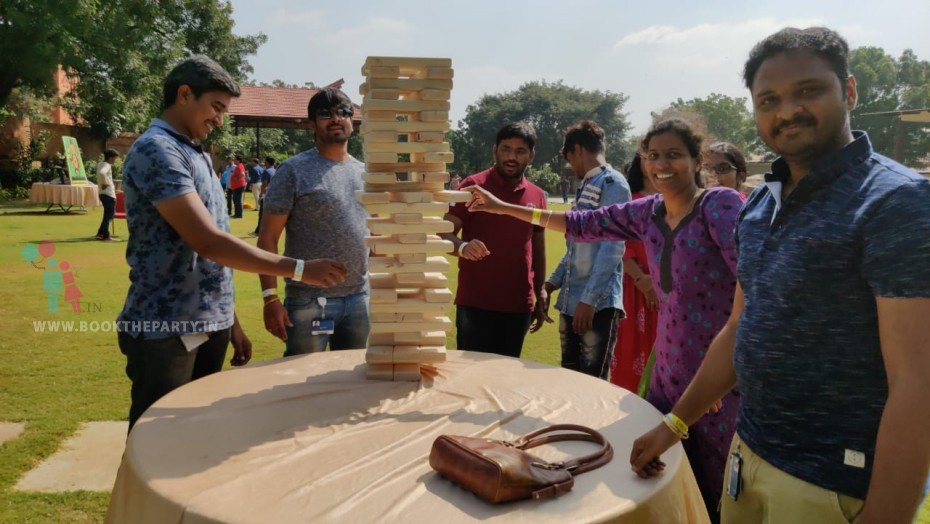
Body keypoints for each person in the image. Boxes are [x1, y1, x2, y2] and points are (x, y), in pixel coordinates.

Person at [628, 27, 930, 524]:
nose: (786, 110)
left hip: (831, 486)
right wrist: (674, 424)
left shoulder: (895, 202)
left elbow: (916, 381)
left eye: (808, 90)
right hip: (748, 459)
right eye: (769, 99)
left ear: (849, 91)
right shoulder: (761, 204)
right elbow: (738, 329)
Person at [465, 118, 744, 520]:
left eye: (673, 155)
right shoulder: (648, 211)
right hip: (668, 377)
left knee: (719, 494)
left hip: (719, 383)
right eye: (652, 156)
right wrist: (502, 207)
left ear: (696, 159)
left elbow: (754, 285)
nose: (660, 164)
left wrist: (724, 369)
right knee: (664, 483)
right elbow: (581, 224)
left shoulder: (719, 205)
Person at [117, 55, 348, 431]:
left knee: (200, 435)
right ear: (185, 94)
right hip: (167, 327)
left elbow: (212, 251)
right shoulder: (157, 149)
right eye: (216, 107)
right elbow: (207, 241)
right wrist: (301, 269)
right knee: (156, 440)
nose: (219, 120)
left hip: (208, 322)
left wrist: (229, 319)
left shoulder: (195, 153)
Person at [258, 88, 370, 356]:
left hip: (359, 297)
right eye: (325, 114)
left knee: (351, 379)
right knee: (301, 383)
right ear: (311, 124)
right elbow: (268, 239)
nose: (335, 118)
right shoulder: (293, 170)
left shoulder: (365, 173)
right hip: (309, 300)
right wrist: (270, 297)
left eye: (343, 112)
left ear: (352, 123)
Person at [440, 122, 548, 358]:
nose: (511, 157)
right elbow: (442, 232)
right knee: (470, 382)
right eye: (505, 149)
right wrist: (463, 247)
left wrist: (539, 288)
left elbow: (537, 247)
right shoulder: (473, 186)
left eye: (520, 151)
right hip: (475, 304)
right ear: (494, 150)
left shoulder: (538, 195)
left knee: (505, 382)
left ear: (531, 155)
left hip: (518, 305)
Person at [544, 120, 630, 378]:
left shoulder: (613, 184)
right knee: (571, 380)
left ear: (578, 150)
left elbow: (613, 248)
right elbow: (575, 247)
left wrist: (589, 300)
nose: (572, 167)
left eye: (570, 159)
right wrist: (550, 285)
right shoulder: (587, 185)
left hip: (595, 308)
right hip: (572, 303)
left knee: (593, 386)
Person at [609, 154, 659, 391]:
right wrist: (643, 281)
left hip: (671, 292)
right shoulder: (631, 204)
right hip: (635, 291)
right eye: (651, 157)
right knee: (631, 356)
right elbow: (621, 247)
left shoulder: (681, 202)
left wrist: (658, 282)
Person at [95, 148, 120, 241]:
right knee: (109, 215)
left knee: (107, 215)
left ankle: (100, 233)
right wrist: (105, 183)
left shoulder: (100, 164)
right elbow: (102, 173)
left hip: (103, 193)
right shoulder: (107, 165)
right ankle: (105, 235)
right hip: (108, 194)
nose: (115, 160)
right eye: (114, 158)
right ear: (110, 158)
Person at [250, 156, 276, 238]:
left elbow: (264, 184)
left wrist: (261, 195)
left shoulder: (266, 171)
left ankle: (258, 232)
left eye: (265, 162)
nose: (264, 163)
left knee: (261, 214)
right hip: (273, 194)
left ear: (267, 162)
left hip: (266, 195)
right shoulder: (275, 170)